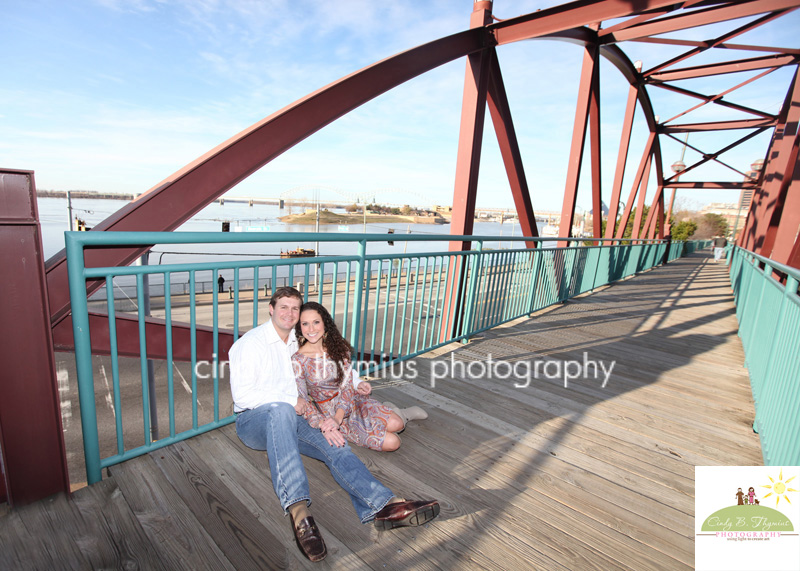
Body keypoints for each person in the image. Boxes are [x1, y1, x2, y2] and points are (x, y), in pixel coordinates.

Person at [228, 287, 440, 563]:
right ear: (271, 308)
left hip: (296, 418)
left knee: (335, 444)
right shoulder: (250, 344)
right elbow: (243, 397)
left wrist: (335, 408)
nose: (290, 314)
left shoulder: (297, 338)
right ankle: (300, 512)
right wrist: (289, 401)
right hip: (254, 422)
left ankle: (384, 506)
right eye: (284, 307)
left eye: (295, 308)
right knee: (281, 409)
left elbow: (332, 363)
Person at [293, 302, 427, 452]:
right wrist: (323, 424)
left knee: (398, 424)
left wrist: (339, 416)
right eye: (305, 324)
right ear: (300, 327)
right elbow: (303, 401)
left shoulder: (338, 348)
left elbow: (347, 386)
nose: (311, 329)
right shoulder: (297, 360)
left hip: (351, 400)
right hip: (328, 413)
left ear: (325, 323)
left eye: (316, 322)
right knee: (393, 443)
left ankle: (402, 414)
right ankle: (389, 410)